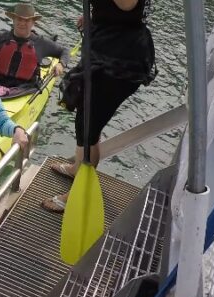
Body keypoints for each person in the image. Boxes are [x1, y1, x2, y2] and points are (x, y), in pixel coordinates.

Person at [41, 0, 156, 212]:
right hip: (106, 50)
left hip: (120, 62)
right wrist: (95, 17)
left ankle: (79, 193)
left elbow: (128, 7)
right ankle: (79, 169)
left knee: (89, 127)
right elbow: (120, 13)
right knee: (85, 121)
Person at [0, 3, 69, 89]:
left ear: (33, 23)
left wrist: (61, 64)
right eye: (19, 19)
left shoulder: (41, 43)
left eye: (27, 20)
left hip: (25, 88)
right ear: (13, 20)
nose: (22, 23)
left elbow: (64, 51)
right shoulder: (0, 38)